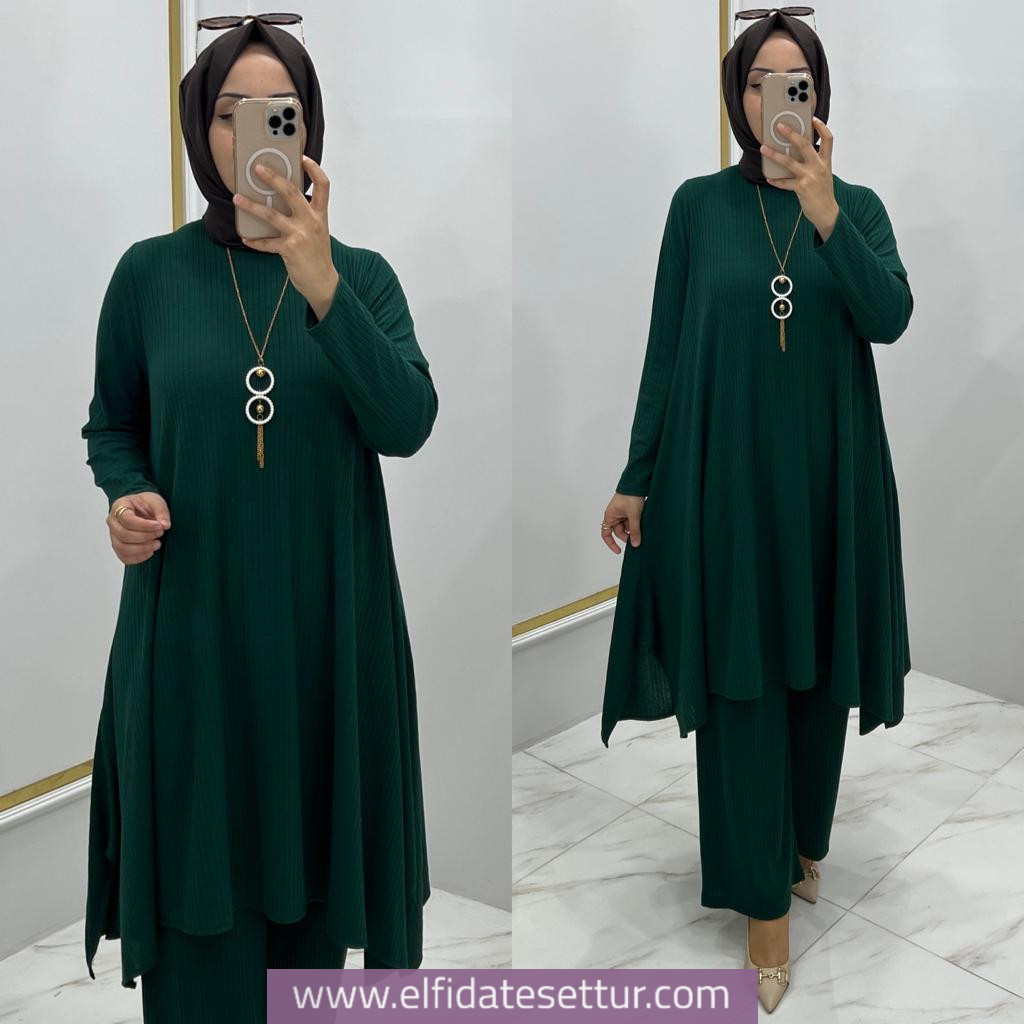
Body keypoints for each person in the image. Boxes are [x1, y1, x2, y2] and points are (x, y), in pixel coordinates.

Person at [80, 18, 438, 1020]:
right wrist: (124, 493)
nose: (252, 133)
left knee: (311, 922)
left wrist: (320, 280)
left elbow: (407, 422)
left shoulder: (363, 277)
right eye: (229, 112)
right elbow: (114, 425)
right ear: (202, 129)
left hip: (330, 638)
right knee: (200, 910)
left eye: (275, 111)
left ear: (307, 127)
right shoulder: (148, 274)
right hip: (191, 636)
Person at [599, 10, 912, 1013]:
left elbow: (890, 316)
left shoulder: (856, 207)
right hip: (722, 485)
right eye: (759, 81)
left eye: (797, 82)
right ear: (739, 97)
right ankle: (760, 905)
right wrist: (637, 474)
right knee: (742, 685)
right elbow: (665, 346)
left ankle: (802, 840)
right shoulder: (697, 207)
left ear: (819, 98)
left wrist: (824, 210)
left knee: (818, 673)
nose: (778, 99)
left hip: (831, 485)